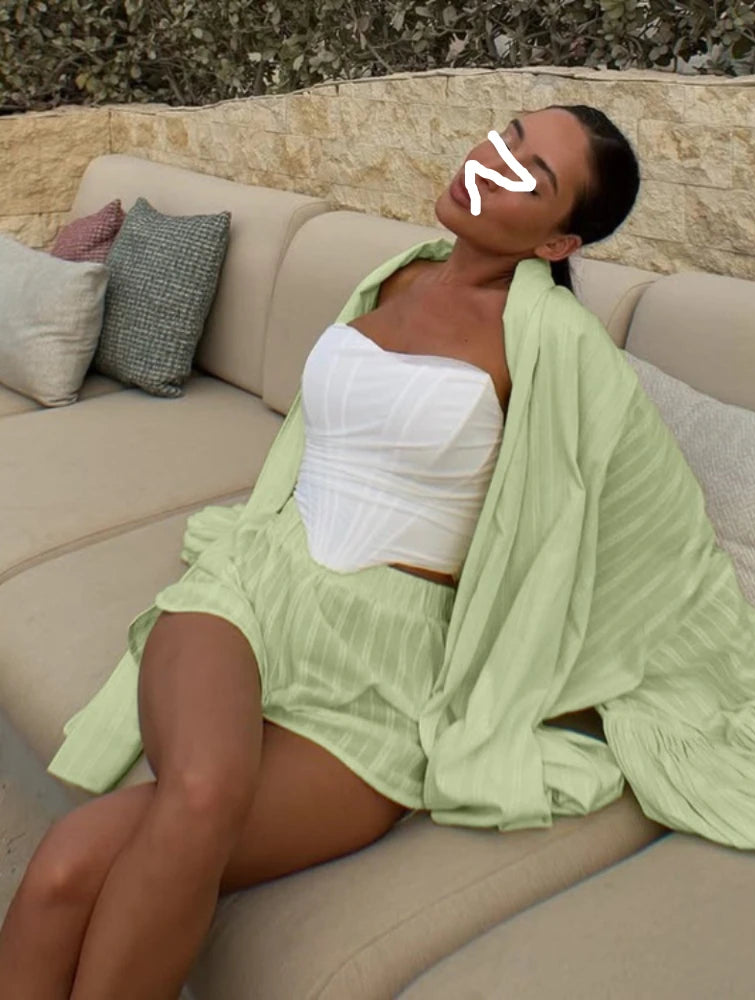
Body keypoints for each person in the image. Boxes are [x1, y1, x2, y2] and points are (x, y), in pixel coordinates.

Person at [0, 104, 641, 998]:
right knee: (200, 792)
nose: (491, 162)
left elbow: (625, 518)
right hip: (257, 585)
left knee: (73, 863)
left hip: (384, 672)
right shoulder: (394, 276)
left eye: (529, 174)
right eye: (504, 134)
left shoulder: (559, 347)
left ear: (557, 243)